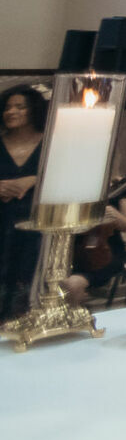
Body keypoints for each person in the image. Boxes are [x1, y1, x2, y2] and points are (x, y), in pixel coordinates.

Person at [1, 83, 48, 317]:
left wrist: (34, 180)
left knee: (26, 284)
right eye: (8, 107)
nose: (11, 112)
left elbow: (66, 177)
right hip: (2, 222)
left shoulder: (49, 145)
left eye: (20, 107)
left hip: (36, 225)